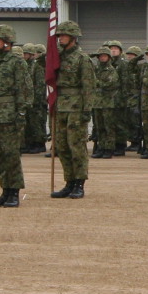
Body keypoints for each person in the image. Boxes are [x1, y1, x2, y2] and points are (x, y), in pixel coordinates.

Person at [0, 24, 32, 207]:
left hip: (9, 114)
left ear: (7, 42)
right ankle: (4, 190)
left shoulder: (16, 62)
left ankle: (14, 193)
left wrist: (20, 112)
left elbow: (23, 88)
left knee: (11, 155)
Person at [49, 20, 97, 197]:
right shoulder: (57, 57)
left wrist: (87, 110)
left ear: (73, 38)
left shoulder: (82, 59)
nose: (60, 38)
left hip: (76, 106)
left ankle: (79, 183)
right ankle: (69, 181)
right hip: (61, 105)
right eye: (59, 35)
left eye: (64, 35)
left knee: (76, 146)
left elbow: (89, 86)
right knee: (62, 146)